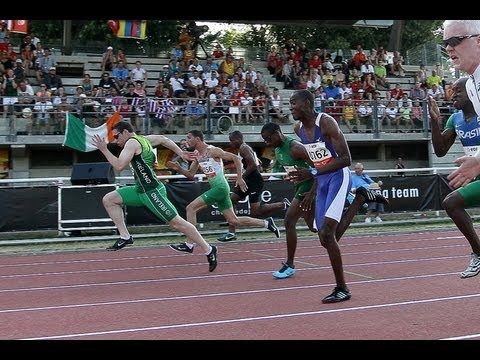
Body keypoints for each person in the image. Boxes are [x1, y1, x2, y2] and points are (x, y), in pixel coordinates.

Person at [261, 122, 388, 280]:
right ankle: (359, 200)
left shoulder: (295, 147)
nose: (267, 142)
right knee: (320, 232)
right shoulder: (278, 150)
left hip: (309, 188)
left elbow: (319, 166)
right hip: (300, 188)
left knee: (289, 220)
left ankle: (290, 264)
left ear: (277, 133)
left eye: (268, 139)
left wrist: (312, 192)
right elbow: (294, 169)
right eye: (264, 140)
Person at [92, 121, 218, 272]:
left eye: (117, 136)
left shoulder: (132, 143)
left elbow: (119, 166)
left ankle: (209, 249)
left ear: (125, 132)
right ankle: (125, 237)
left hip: (152, 192)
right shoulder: (144, 139)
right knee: (109, 199)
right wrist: (181, 153)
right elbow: (164, 139)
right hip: (140, 190)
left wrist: (104, 150)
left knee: (177, 223)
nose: (116, 140)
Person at [284, 89, 355, 303]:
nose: (291, 107)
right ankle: (360, 199)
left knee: (326, 234)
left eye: (294, 103)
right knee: (322, 234)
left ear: (307, 103)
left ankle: (342, 288)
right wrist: (308, 179)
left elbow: (345, 159)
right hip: (322, 180)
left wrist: (313, 172)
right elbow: (315, 160)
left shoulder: (326, 123)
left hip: (338, 177)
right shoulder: (298, 129)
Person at [167, 130, 281, 253]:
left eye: (189, 138)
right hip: (218, 188)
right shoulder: (196, 155)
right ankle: (266, 223)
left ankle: (189, 244)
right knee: (233, 220)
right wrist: (178, 168)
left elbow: (236, 158)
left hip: (220, 187)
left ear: (198, 139)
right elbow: (190, 174)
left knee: (191, 208)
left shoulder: (212, 151)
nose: (187, 141)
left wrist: (239, 177)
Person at [429, 77, 480, 278]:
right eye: (451, 91)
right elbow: (440, 150)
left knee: (451, 202)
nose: (453, 95)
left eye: (458, 91)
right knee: (451, 203)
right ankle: (478, 253)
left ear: (472, 92)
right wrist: (434, 121)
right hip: (475, 177)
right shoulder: (455, 119)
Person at [217, 130, 290, 242]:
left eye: (231, 141)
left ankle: (282, 205)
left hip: (254, 181)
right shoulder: (246, 148)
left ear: (238, 139)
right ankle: (231, 233)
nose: (230, 143)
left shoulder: (243, 148)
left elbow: (253, 165)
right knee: (230, 202)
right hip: (249, 180)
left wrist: (241, 177)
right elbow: (258, 163)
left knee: (256, 212)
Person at [441, 20, 480, 187]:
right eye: (445, 43)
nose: (449, 48)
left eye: (455, 40)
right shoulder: (471, 83)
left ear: (478, 41)